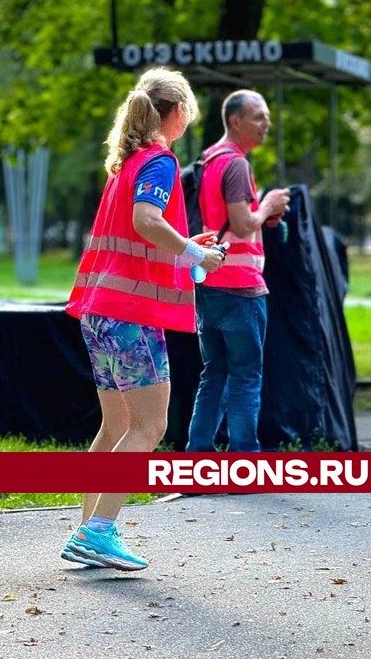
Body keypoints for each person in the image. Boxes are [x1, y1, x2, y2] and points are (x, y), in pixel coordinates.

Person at [62, 68, 225, 570]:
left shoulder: (126, 165)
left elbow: (138, 237)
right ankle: (99, 531)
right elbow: (147, 223)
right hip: (130, 316)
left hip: (100, 312)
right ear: (175, 115)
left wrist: (182, 249)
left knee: (115, 425)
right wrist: (197, 258)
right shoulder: (159, 163)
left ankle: (85, 530)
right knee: (149, 427)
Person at [186, 90, 290, 453]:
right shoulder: (237, 164)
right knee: (246, 376)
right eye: (259, 117)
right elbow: (244, 224)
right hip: (241, 289)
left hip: (209, 284)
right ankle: (244, 461)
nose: (266, 124)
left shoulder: (207, 159)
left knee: (213, 375)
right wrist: (269, 205)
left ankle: (197, 458)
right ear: (235, 121)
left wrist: (258, 212)